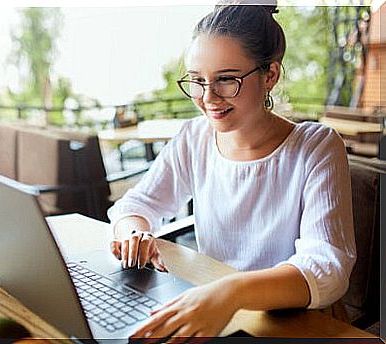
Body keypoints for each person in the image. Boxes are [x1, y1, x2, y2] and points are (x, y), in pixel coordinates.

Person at [107, 4, 356, 340]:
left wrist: (231, 292)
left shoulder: (316, 147)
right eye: (197, 81)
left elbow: (327, 266)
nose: (208, 97)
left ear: (270, 75)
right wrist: (133, 235)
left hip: (293, 322)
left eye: (226, 79)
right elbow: (135, 206)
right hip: (216, 310)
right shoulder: (194, 137)